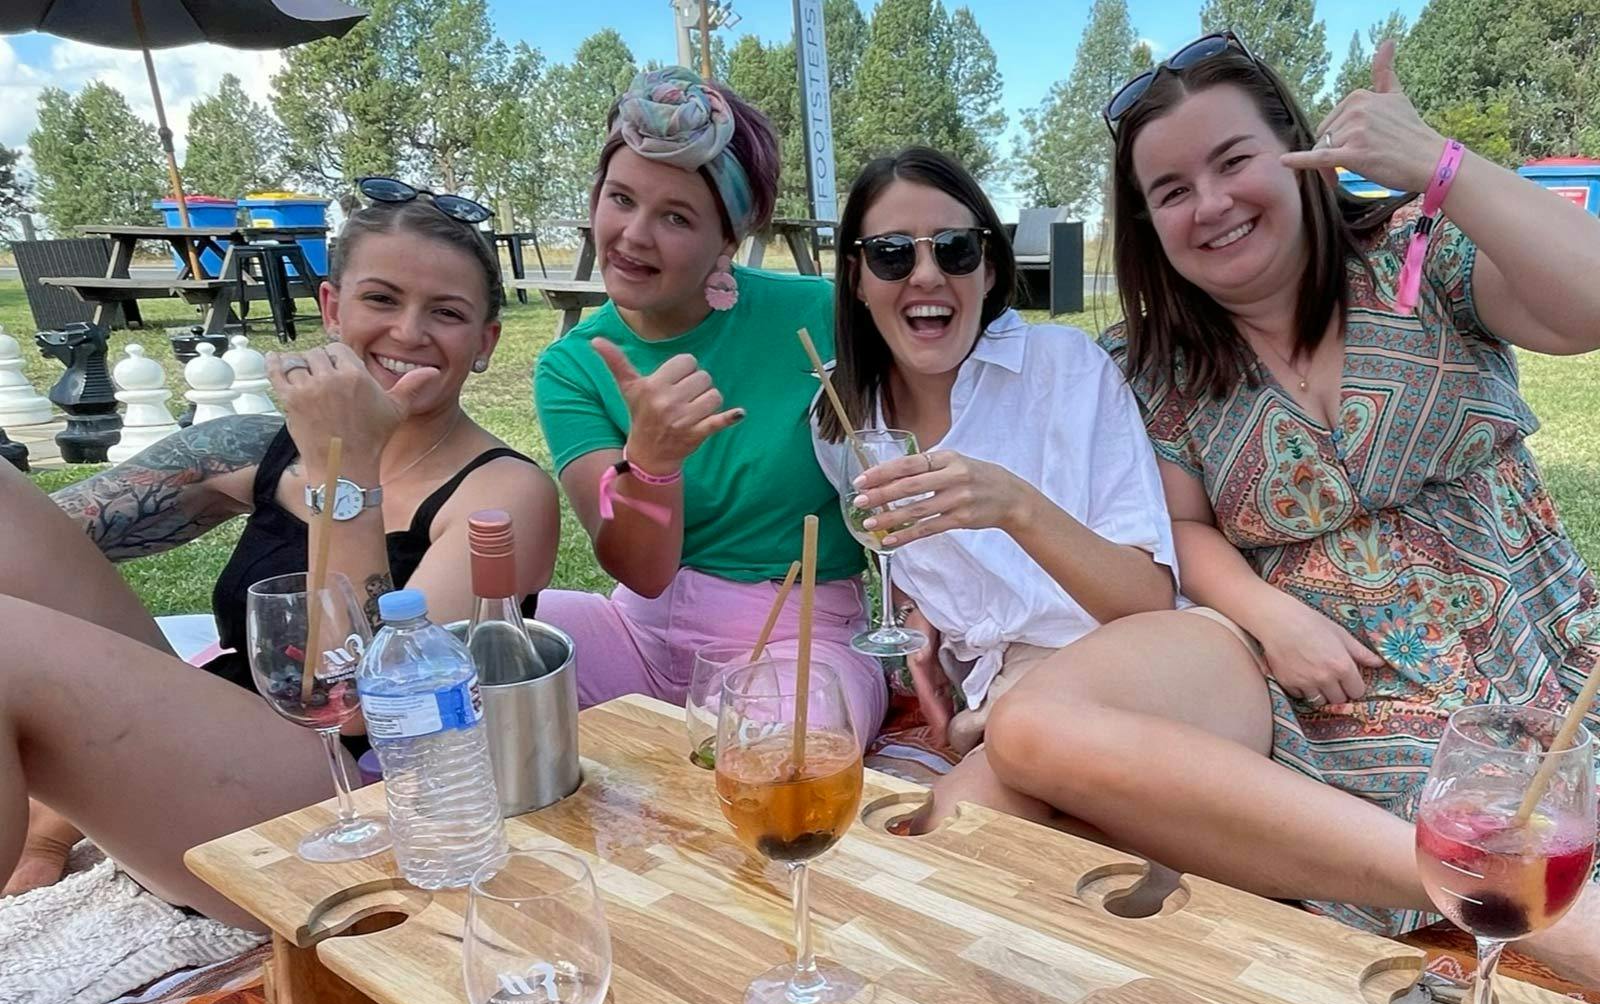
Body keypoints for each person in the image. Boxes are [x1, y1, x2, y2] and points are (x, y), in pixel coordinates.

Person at [982, 36, 1600, 981]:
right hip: (1340, 702)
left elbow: (1590, 303)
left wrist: (1441, 166)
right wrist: (1270, 615)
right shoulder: (1157, 367)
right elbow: (1181, 526)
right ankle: (1489, 885)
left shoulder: (1419, 259)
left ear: (1299, 153)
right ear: (1147, 222)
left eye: (1234, 160)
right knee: (1021, 755)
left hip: (1537, 659)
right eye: (1172, 190)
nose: (1211, 203)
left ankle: (1495, 888)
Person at [1, 188, 559, 924]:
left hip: (355, 791)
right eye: (381, 299)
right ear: (332, 308)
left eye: (446, 313)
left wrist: (345, 466)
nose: (408, 331)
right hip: (207, 734)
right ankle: (49, 823)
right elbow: (52, 538)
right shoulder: (257, 445)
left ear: (485, 342)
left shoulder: (505, 493)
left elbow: (359, 705)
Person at [811, 147, 1178, 828]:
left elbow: (1148, 602)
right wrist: (915, 616)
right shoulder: (841, 417)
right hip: (996, 695)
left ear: (988, 268)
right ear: (857, 278)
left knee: (944, 838)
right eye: (892, 254)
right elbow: (907, 560)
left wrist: (1015, 506)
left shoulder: (1064, 369)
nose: (927, 273)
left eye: (955, 249)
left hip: (1119, 671)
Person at [534, 68, 887, 744]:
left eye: (676, 216)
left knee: (778, 760)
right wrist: (651, 463)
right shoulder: (571, 366)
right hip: (637, 632)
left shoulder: (823, 316)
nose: (634, 235)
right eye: (620, 198)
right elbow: (641, 572)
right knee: (493, 648)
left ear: (728, 239)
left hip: (801, 636)